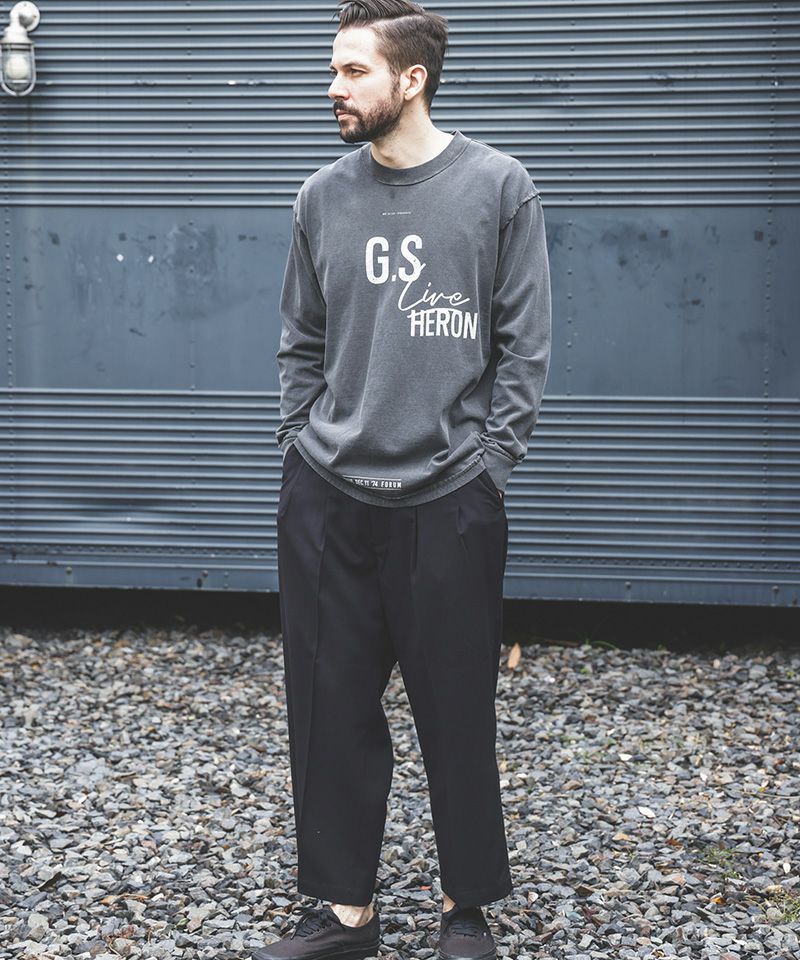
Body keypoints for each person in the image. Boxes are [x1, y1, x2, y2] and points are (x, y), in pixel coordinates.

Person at [256, 1, 551, 957]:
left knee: (456, 707)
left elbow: (524, 344)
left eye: (352, 71)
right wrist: (298, 444)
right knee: (328, 707)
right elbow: (301, 340)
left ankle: (466, 905)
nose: (332, 88)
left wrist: (490, 465)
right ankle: (345, 910)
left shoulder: (498, 186)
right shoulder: (320, 196)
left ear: (410, 79)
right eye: (332, 70)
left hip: (449, 496)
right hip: (328, 493)